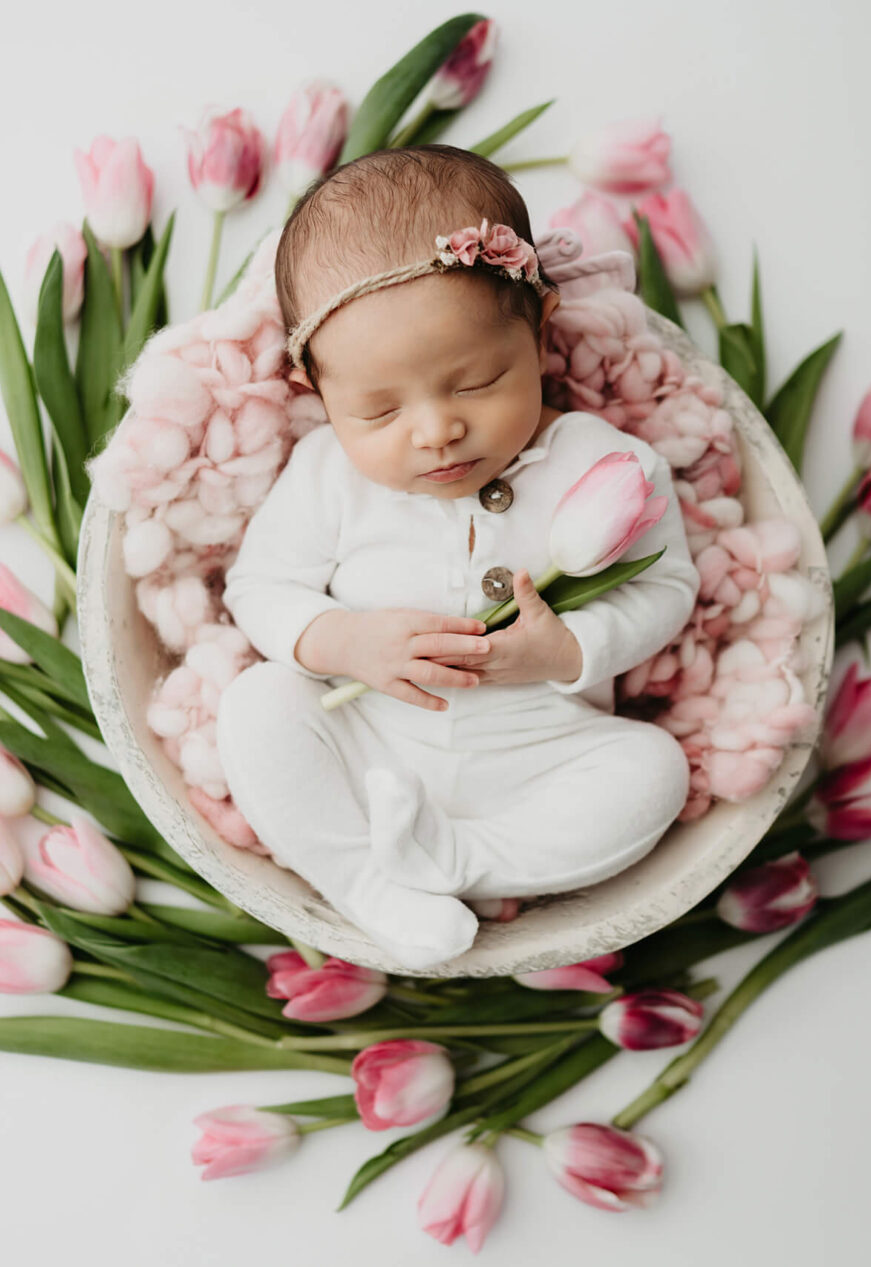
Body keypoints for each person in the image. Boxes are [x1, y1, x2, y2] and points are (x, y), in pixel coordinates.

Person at [215, 145, 698, 971]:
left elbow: (667, 586)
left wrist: (571, 650)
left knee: (654, 773)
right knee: (256, 708)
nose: (435, 429)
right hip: (366, 741)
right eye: (377, 408)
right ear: (314, 390)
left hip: (542, 752)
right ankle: (364, 878)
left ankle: (454, 861)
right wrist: (341, 641)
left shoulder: (600, 463)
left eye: (475, 381)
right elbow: (259, 586)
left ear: (539, 331)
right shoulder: (329, 476)